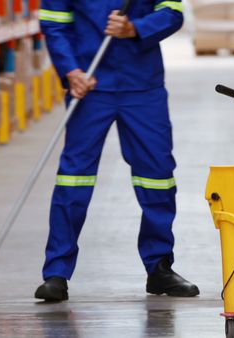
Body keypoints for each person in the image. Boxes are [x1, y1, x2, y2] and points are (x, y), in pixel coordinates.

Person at [34, 0, 199, 301]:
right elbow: (54, 23)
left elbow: (173, 13)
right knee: (74, 179)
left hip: (142, 86)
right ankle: (56, 273)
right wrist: (70, 71)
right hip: (90, 84)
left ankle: (159, 266)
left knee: (157, 177)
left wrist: (136, 28)